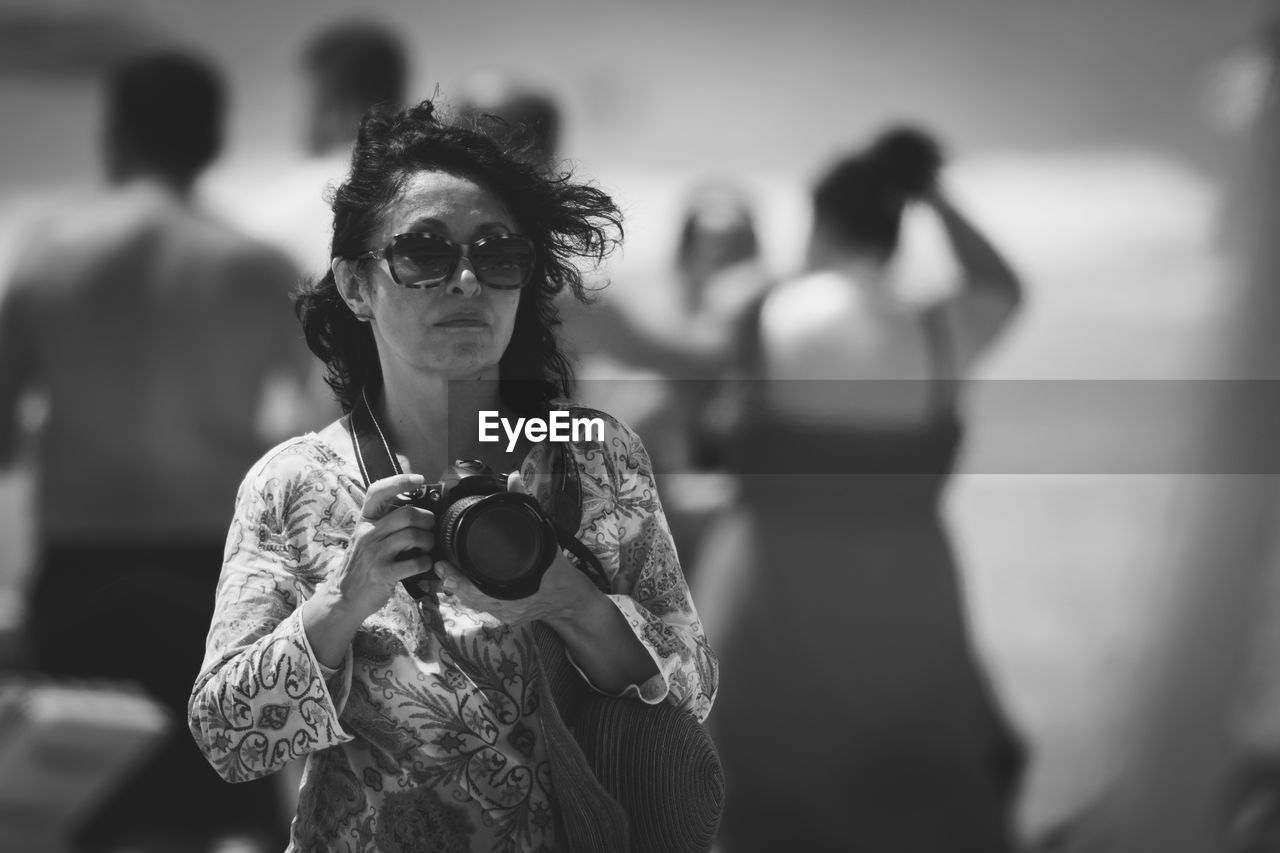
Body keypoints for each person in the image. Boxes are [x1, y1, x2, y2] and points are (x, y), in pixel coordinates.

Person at [187, 99, 717, 852]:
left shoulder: (592, 456)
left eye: (499, 254)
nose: (466, 280)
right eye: (423, 253)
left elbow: (690, 690)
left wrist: (574, 604)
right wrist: (342, 603)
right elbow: (229, 738)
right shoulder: (295, 482)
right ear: (356, 284)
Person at [0, 51, 309, 850]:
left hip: (82, 572)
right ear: (212, 140)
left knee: (85, 811)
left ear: (118, 133)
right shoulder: (259, 266)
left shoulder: (45, 259)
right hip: (213, 576)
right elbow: (323, 436)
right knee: (221, 818)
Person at [697, 127, 1027, 852]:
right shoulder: (940, 329)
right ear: (898, 227)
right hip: (910, 603)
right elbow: (1003, 284)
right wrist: (932, 191)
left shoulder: (758, 313)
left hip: (773, 599)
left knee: (767, 813)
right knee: (914, 808)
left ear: (819, 222)